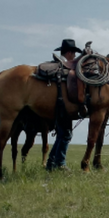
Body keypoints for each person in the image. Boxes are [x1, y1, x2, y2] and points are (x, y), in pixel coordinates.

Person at [46, 39, 83, 171]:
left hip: (58, 106)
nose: (73, 57)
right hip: (62, 106)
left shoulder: (59, 64)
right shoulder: (64, 66)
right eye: (73, 54)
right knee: (66, 134)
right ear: (69, 53)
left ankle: (51, 163)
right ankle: (60, 163)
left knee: (63, 134)